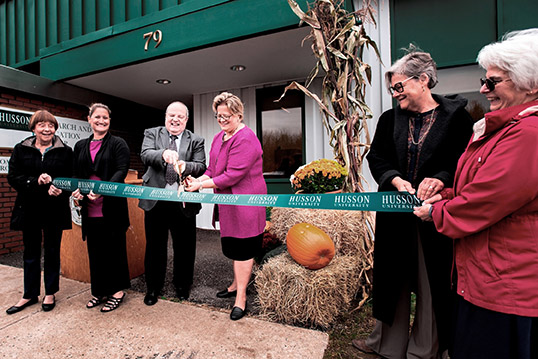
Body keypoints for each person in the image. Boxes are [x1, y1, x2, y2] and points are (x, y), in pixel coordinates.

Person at [414, 29, 538, 359]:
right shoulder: (502, 128)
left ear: (531, 85)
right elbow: (477, 187)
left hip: (507, 289)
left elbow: (486, 201)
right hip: (484, 277)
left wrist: (436, 212)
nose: (483, 88)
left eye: (493, 82)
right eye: (484, 80)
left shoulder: (528, 135)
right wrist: (447, 192)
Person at [352, 50, 474, 359]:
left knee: (431, 281)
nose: (395, 94)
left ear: (422, 80)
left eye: (398, 87)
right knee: (392, 277)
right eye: (392, 89)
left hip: (434, 215)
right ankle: (386, 345)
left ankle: (425, 350)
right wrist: (394, 179)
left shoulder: (458, 117)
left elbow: (463, 159)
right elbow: (376, 157)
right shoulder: (389, 118)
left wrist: (442, 179)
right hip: (394, 215)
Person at [184, 92, 266, 321]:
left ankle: (241, 296)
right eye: (219, 116)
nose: (222, 121)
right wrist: (197, 180)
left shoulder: (246, 138)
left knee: (244, 249)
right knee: (233, 247)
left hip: (246, 203)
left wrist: (201, 184)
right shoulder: (219, 138)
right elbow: (213, 169)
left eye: (227, 116)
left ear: (239, 115)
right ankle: (236, 284)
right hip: (228, 203)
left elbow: (232, 176)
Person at [139, 101, 206, 306]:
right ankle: (153, 288)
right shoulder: (152, 133)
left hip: (183, 201)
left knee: (185, 247)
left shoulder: (196, 140)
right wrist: (163, 154)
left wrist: (186, 166)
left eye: (180, 117)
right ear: (165, 117)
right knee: (155, 247)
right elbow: (145, 154)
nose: (175, 120)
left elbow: (201, 166)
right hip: (156, 201)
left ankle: (182, 286)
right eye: (171, 116)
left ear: (186, 120)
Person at [6, 110, 73, 314]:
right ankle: (29, 294)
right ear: (33, 128)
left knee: (52, 252)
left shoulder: (65, 151)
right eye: (42, 125)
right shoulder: (21, 149)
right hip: (30, 209)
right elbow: (13, 177)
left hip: (54, 209)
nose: (47, 129)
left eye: (51, 125)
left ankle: (50, 292)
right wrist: (35, 181)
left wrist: (61, 189)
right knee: (31, 252)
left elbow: (71, 179)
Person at [72, 103, 131, 313]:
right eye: (97, 117)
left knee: (114, 251)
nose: (101, 121)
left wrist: (103, 189)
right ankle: (99, 291)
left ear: (109, 120)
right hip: (90, 210)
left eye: (105, 118)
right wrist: (77, 190)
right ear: (89, 119)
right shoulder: (80, 146)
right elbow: (77, 174)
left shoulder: (118, 143)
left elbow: (121, 171)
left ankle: (116, 292)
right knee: (95, 252)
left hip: (112, 208)